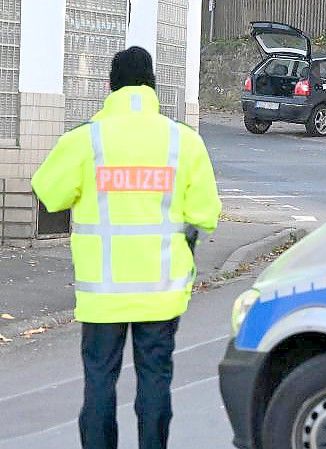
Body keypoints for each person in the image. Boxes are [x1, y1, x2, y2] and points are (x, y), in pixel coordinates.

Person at [31, 46, 221, 449]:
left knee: (100, 383)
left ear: (109, 87)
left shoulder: (86, 140)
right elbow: (206, 214)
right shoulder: (182, 141)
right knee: (155, 382)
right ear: (154, 86)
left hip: (104, 296)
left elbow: (47, 192)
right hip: (161, 293)